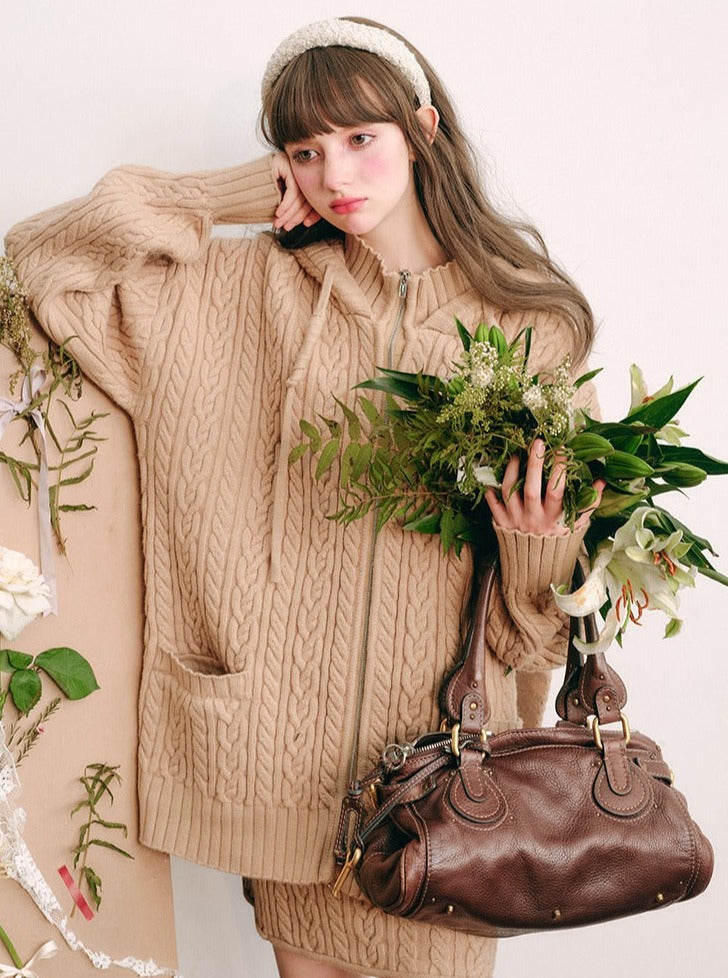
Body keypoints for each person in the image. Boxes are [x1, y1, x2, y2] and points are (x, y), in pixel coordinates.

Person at [5, 16, 602, 978]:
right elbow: (37, 265)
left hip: (446, 791)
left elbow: (537, 635)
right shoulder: (238, 291)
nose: (336, 175)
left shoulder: (529, 325)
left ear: (424, 128)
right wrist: (235, 193)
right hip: (284, 782)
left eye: (361, 139)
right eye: (305, 150)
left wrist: (537, 549)